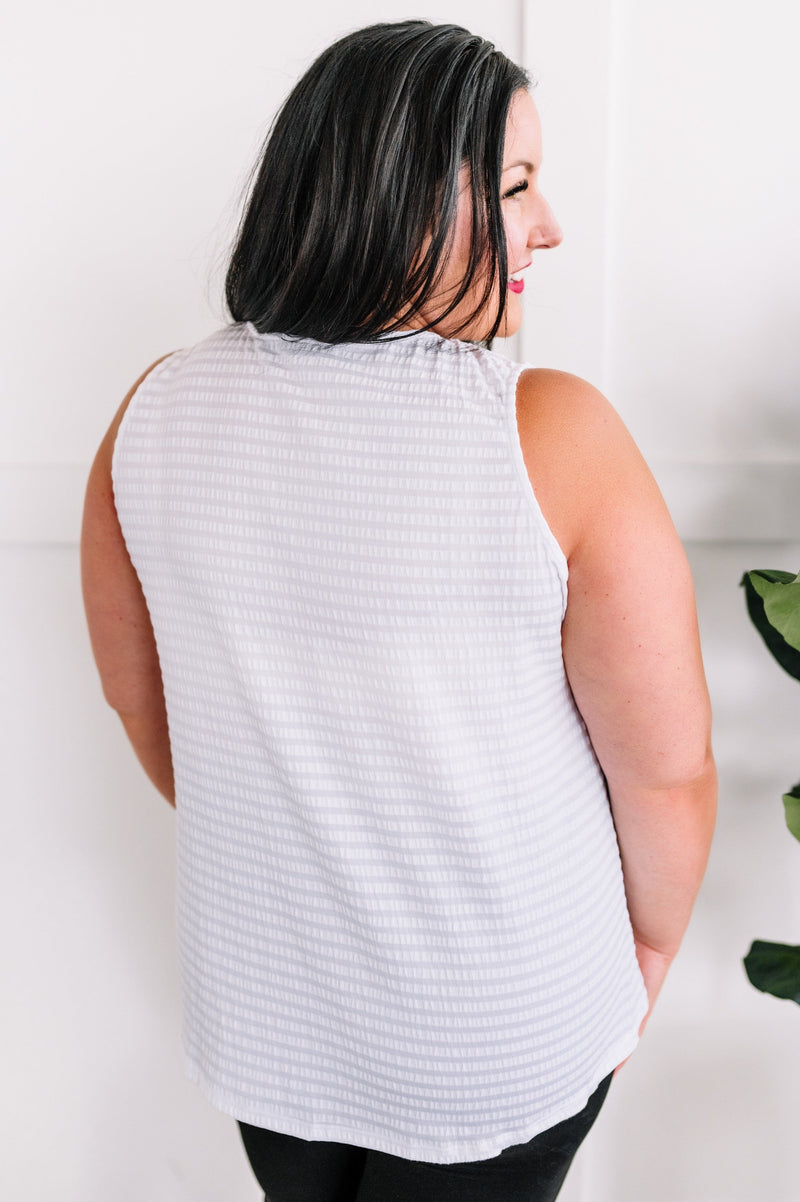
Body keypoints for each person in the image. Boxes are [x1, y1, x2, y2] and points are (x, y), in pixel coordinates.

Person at [80, 19, 717, 1202]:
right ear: (402, 198)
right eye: (517, 184)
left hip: (267, 1018)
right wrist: (646, 949)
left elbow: (144, 706)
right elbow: (665, 774)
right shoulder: (551, 433)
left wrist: (310, 850)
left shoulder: (152, 411)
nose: (550, 225)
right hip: (491, 1037)